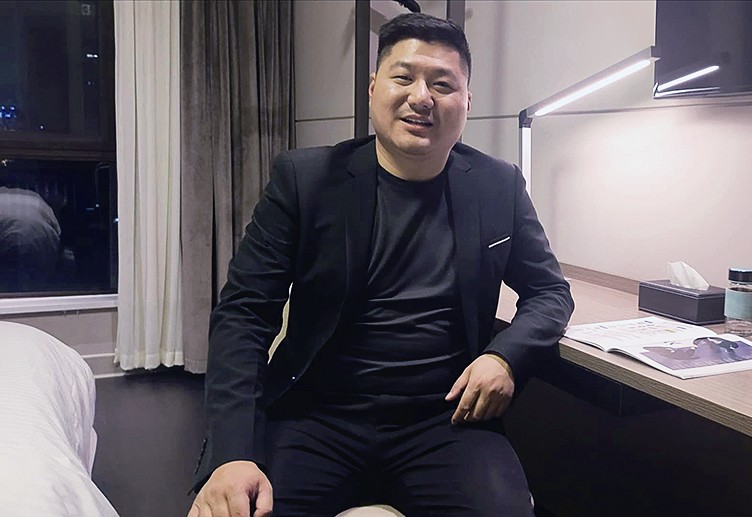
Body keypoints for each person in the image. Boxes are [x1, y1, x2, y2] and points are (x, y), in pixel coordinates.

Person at [189, 12, 573, 517]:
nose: (422, 97)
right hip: (317, 415)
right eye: (403, 77)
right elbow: (243, 315)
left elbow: (550, 292)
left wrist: (504, 357)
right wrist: (233, 455)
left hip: (443, 419)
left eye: (443, 84)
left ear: (466, 102)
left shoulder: (498, 185)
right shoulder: (305, 180)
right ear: (374, 89)